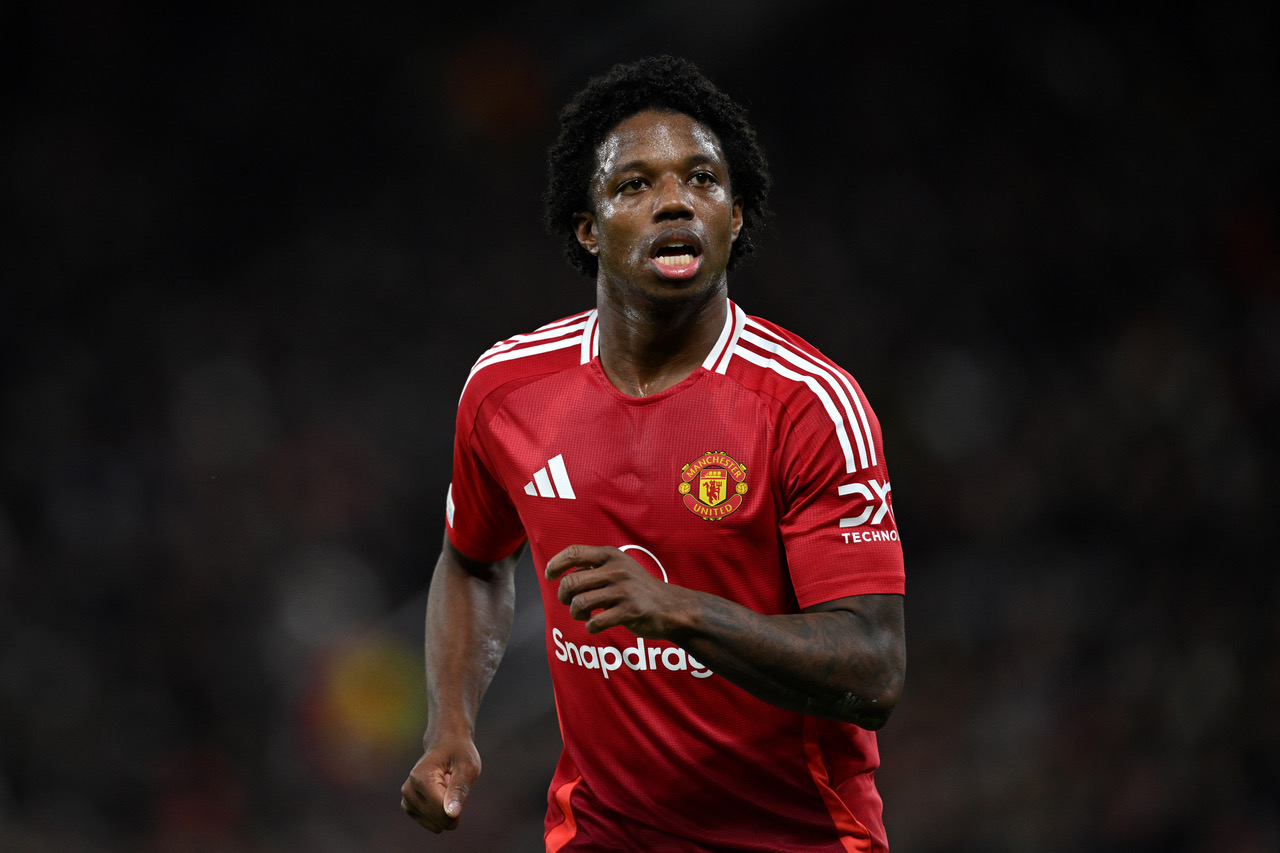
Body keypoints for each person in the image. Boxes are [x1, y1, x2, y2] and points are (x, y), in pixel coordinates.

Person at [401, 55, 907, 852]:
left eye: (701, 179)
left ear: (735, 216)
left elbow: (874, 669)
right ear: (587, 226)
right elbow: (473, 562)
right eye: (634, 184)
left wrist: (678, 610)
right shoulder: (506, 390)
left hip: (795, 837)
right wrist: (451, 727)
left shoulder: (809, 405)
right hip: (602, 833)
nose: (674, 201)